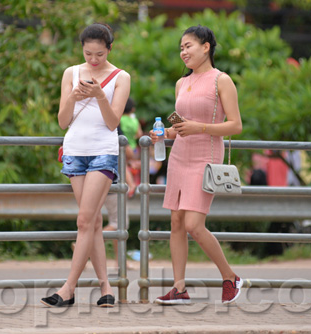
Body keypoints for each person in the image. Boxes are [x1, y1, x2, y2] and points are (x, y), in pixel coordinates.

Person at [150, 25, 243, 305]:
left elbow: (235, 125)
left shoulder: (221, 80)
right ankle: (179, 288)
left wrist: (200, 127)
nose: (183, 52)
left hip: (206, 156)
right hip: (180, 156)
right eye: (181, 48)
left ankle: (231, 277)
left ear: (206, 47)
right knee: (176, 221)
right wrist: (163, 134)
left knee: (193, 223)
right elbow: (179, 126)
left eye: (188, 46)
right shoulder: (182, 82)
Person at [41, 23, 130, 308]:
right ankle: (106, 287)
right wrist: (73, 97)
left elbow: (113, 122)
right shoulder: (71, 72)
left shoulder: (121, 77)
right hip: (75, 150)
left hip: (103, 152)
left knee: (84, 220)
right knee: (92, 222)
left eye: (99, 54)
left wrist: (100, 96)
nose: (93, 60)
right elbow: (62, 121)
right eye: (88, 53)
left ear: (109, 49)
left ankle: (68, 288)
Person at [119, 97, 143, 197]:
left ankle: (131, 185)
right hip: (133, 147)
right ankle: (136, 184)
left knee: (122, 165)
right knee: (131, 166)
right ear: (132, 109)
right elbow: (139, 134)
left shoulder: (120, 119)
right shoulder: (135, 121)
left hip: (123, 146)